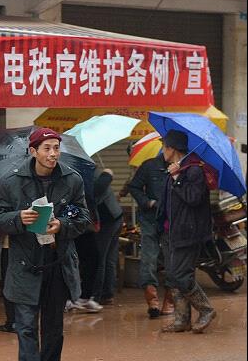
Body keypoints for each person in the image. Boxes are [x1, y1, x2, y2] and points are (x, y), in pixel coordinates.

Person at [0, 128, 90, 361]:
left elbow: (84, 217)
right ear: (33, 151)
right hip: (25, 264)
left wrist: (63, 226)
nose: (53, 154)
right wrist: (19, 218)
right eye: (47, 148)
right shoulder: (11, 182)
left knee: (53, 326)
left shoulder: (72, 180)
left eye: (56, 148)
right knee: (25, 327)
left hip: (56, 263)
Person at [158, 130, 216, 334]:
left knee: (180, 275)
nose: (161, 150)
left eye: (164, 146)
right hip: (170, 232)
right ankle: (182, 320)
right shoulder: (175, 169)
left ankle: (206, 309)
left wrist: (177, 178)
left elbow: (193, 198)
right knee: (173, 276)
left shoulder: (193, 170)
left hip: (187, 232)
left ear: (172, 149)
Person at [129, 154, 172, 318]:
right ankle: (152, 300)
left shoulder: (182, 167)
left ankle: (169, 300)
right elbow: (134, 187)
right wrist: (148, 202)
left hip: (171, 220)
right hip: (150, 219)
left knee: (171, 259)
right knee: (148, 258)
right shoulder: (149, 165)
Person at [89, 169, 123, 306]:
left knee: (100, 258)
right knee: (109, 259)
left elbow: (95, 193)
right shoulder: (93, 170)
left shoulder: (86, 173)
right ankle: (107, 293)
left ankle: (97, 296)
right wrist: (108, 174)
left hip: (107, 220)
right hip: (115, 216)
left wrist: (107, 174)